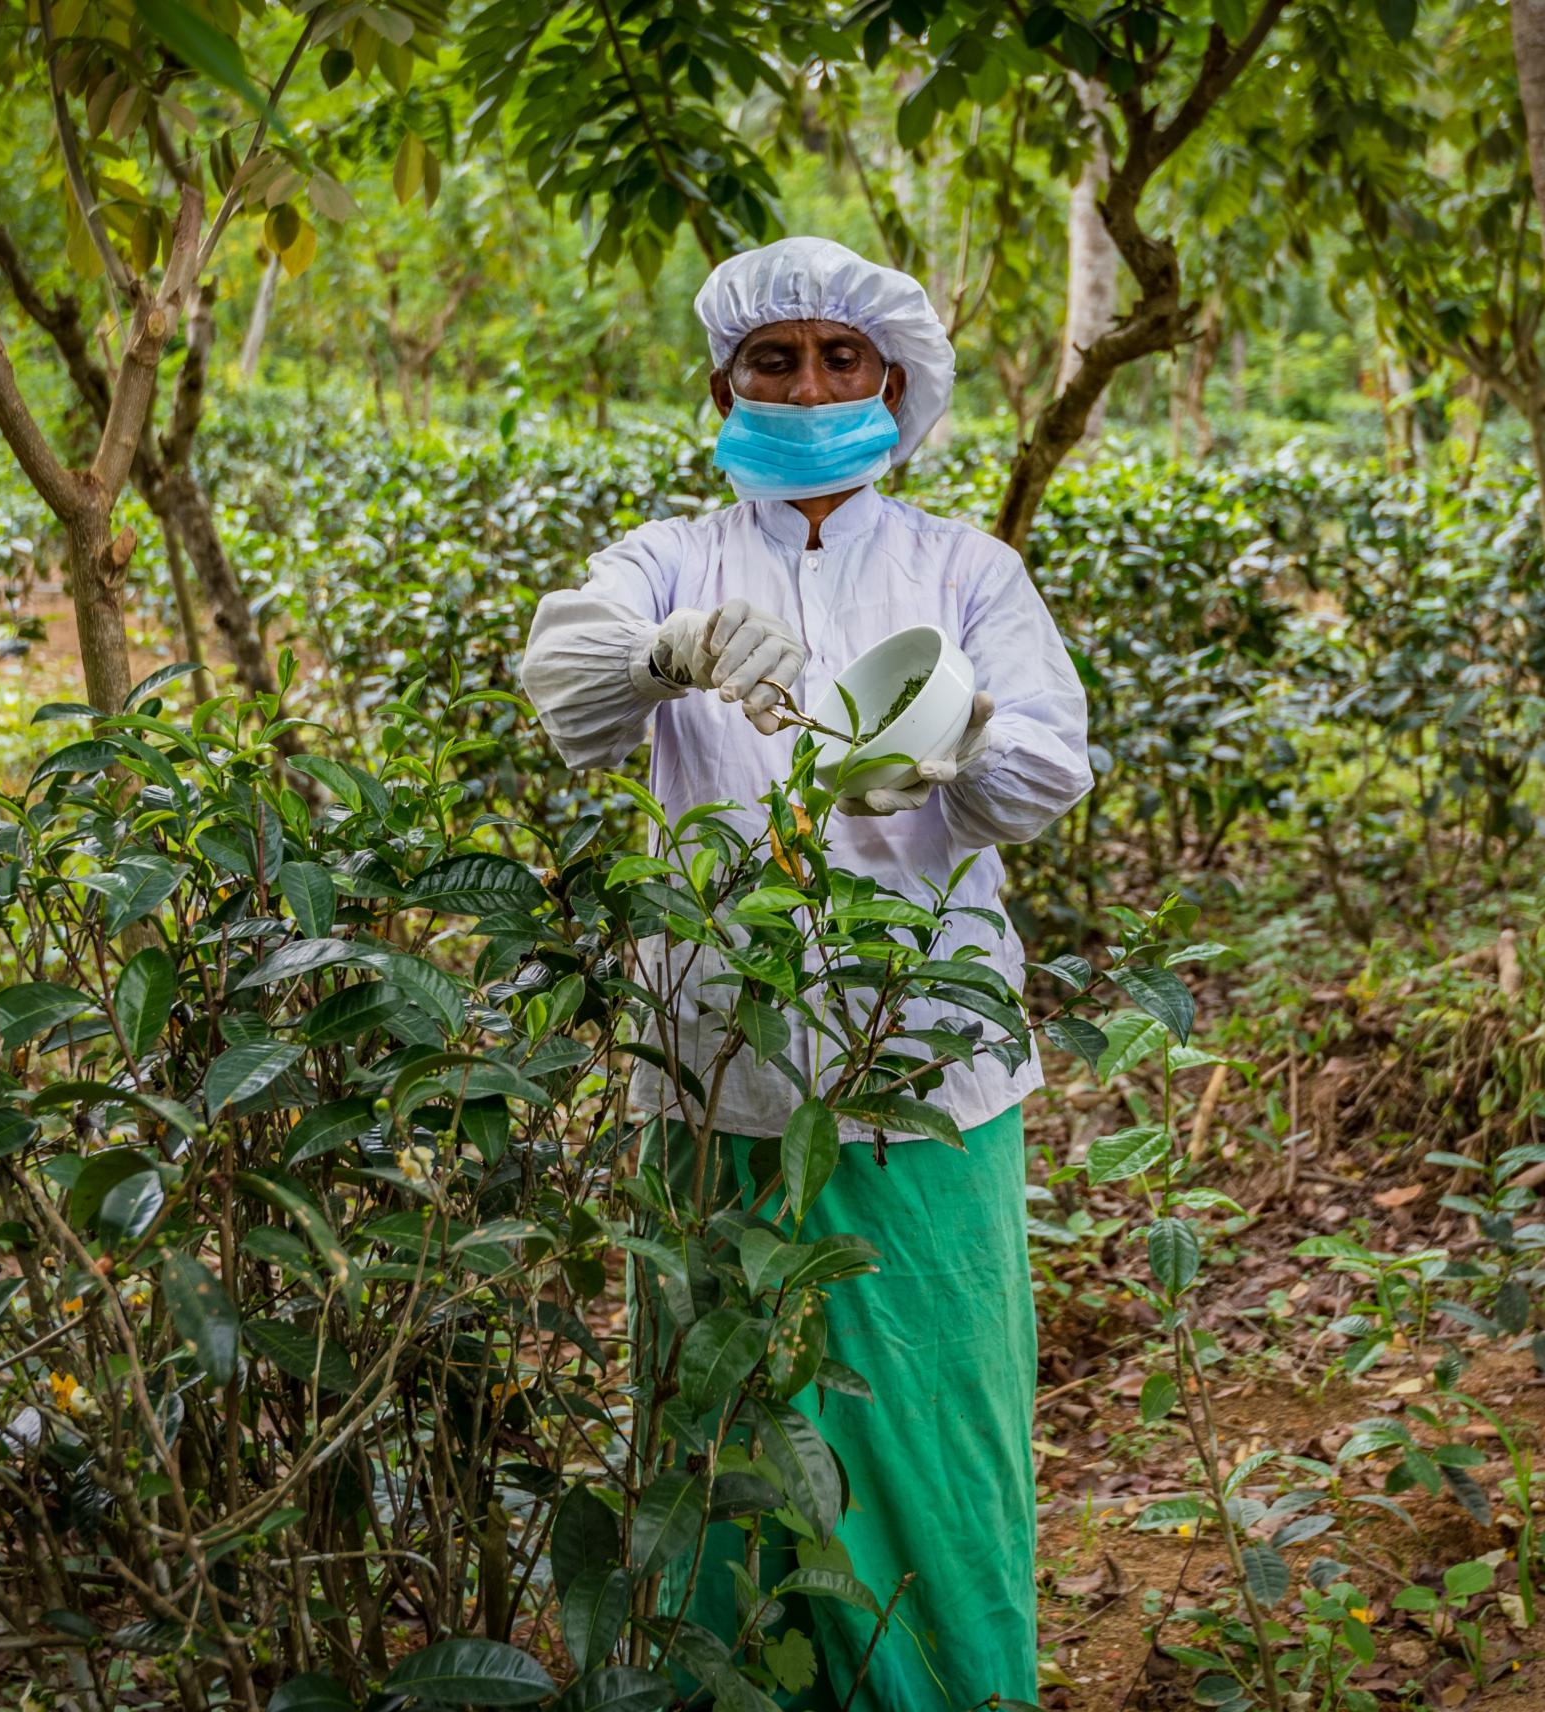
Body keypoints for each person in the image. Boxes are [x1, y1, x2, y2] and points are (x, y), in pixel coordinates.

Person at [520, 236, 1092, 1709]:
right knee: (720, 1437)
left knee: (934, 1434)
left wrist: (945, 738)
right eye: (776, 359)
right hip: (713, 1071)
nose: (810, 382)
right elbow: (566, 687)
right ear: (726, 380)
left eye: (844, 359)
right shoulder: (672, 557)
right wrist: (674, 650)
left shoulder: (966, 568)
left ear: (896, 384)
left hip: (925, 1086)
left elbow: (1045, 767)